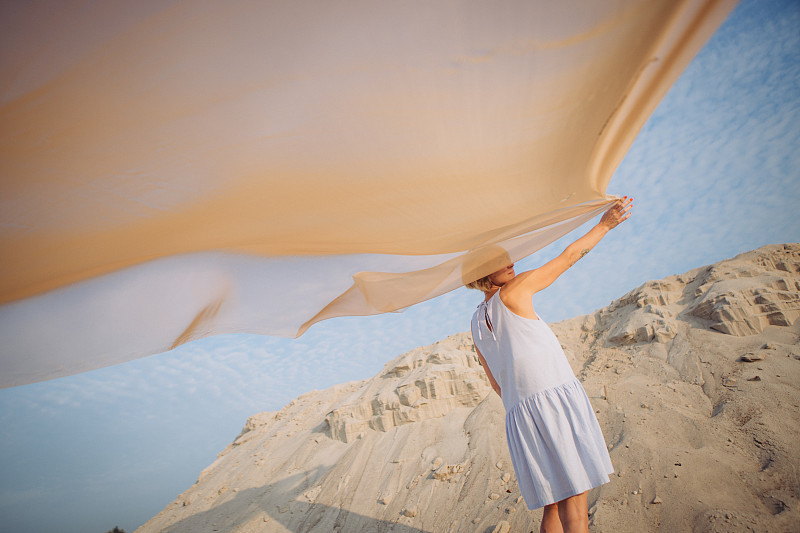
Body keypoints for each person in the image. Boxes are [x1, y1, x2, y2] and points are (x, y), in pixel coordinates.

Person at [467, 197, 632, 533]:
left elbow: (495, 381)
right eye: (499, 260)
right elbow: (568, 258)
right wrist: (605, 225)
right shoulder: (514, 291)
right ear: (483, 271)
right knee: (576, 506)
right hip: (551, 399)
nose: (509, 261)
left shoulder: (474, 322)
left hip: (520, 413)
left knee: (554, 507)